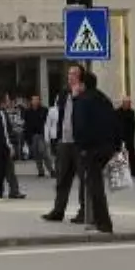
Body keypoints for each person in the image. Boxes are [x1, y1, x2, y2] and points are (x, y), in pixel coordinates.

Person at [72, 70, 117, 233]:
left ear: (83, 84)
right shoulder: (104, 99)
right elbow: (115, 121)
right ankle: (98, 220)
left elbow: (80, 126)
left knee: (94, 185)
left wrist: (82, 147)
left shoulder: (82, 100)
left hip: (91, 148)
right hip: (107, 147)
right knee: (95, 183)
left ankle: (103, 223)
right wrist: (115, 146)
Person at [43, 65, 87, 224]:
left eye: (74, 74)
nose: (70, 77)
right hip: (64, 142)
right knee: (62, 179)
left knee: (84, 179)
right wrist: (58, 139)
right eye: (69, 74)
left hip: (79, 143)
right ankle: (58, 210)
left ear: (81, 76)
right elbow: (61, 117)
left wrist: (77, 97)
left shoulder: (85, 94)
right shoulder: (63, 93)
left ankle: (84, 212)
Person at [25, 95, 55, 177]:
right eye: (34, 100)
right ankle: (40, 171)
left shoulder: (44, 110)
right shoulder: (28, 111)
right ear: (31, 101)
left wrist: (48, 133)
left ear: (39, 101)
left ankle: (51, 170)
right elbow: (26, 124)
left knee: (43, 152)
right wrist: (27, 137)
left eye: (37, 99)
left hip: (41, 134)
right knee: (36, 154)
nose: (35, 101)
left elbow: (48, 122)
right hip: (32, 135)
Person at [116, 97, 135, 177]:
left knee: (132, 155)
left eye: (128, 104)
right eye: (126, 103)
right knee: (120, 155)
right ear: (123, 104)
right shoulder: (117, 112)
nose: (127, 105)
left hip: (129, 137)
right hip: (120, 137)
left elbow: (133, 124)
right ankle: (120, 173)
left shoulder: (131, 112)